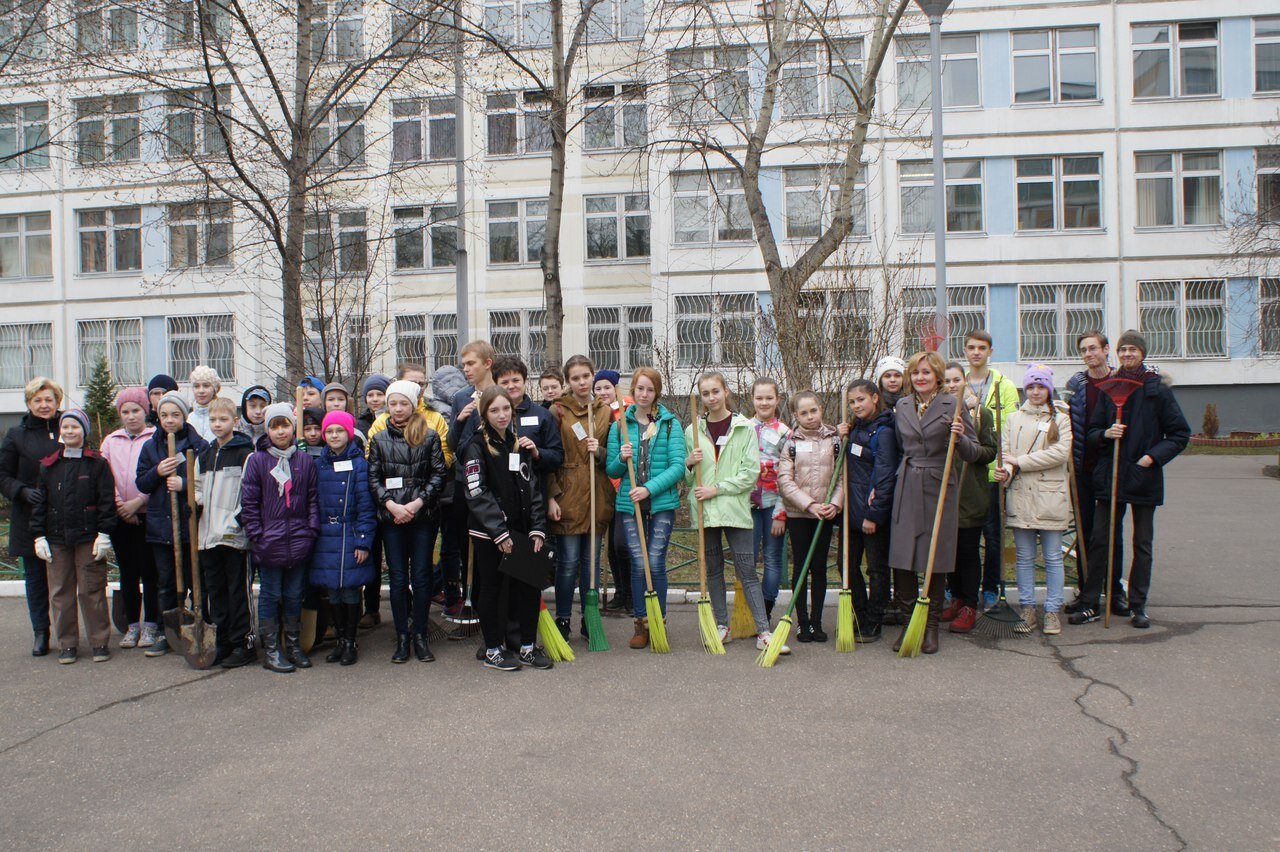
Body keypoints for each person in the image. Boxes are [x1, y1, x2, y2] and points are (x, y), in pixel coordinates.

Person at [1071, 331, 1189, 629]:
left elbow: (1179, 433)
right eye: (1123, 349)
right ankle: (1090, 602)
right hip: (1111, 474)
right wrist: (1106, 434)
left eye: (1132, 349)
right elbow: (1094, 430)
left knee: (1142, 542)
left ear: (1142, 353)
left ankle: (1138, 604)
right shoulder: (1112, 387)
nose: (1127, 354)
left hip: (1143, 475)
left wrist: (1151, 458)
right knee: (1100, 539)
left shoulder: (1156, 388)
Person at [889, 351, 983, 655]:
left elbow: (973, 452)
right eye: (915, 372)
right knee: (903, 557)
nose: (920, 378)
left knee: (935, 556)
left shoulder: (952, 404)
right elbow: (901, 446)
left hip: (939, 484)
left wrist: (960, 437)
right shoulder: (902, 405)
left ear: (937, 376)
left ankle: (930, 628)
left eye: (926, 373)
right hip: (907, 482)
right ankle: (908, 625)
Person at [685, 372, 786, 653]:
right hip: (706, 511)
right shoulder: (692, 430)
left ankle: (763, 631)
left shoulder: (743, 428)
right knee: (714, 570)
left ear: (725, 391)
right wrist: (689, 463)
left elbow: (750, 473)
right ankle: (721, 625)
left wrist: (717, 489)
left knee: (746, 570)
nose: (711, 398)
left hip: (734, 509)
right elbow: (688, 479)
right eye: (705, 394)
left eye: (715, 391)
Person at [463, 385, 552, 672]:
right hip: (492, 535)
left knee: (528, 588)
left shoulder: (519, 445)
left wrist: (537, 528)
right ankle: (492, 648)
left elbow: (534, 489)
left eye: (506, 409)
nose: (501, 415)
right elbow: (477, 492)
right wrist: (498, 532)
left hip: (523, 532)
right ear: (484, 413)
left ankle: (527, 646)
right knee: (492, 589)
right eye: (494, 410)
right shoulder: (476, 446)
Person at [367, 380, 446, 663]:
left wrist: (415, 503)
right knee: (399, 578)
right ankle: (402, 637)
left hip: (422, 516)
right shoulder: (378, 439)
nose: (398, 409)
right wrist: (392, 506)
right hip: (393, 519)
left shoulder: (430, 435)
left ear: (413, 405)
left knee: (422, 576)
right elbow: (373, 478)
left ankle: (421, 635)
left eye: (403, 403)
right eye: (392, 403)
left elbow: (438, 475)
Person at [605, 367, 684, 650]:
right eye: (640, 389)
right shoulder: (620, 427)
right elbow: (611, 468)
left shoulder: (670, 424)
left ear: (656, 393)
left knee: (655, 562)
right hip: (629, 505)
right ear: (632, 392)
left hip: (660, 503)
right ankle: (640, 623)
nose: (644, 394)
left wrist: (649, 488)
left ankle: (658, 622)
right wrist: (621, 457)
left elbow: (678, 467)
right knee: (638, 565)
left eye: (650, 389)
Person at [31, 410, 117, 664]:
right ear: (60, 431)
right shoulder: (48, 466)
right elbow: (40, 504)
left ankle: (99, 641)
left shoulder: (97, 464)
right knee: (60, 592)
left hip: (88, 538)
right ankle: (67, 644)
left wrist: (104, 533)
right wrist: (38, 536)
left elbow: (106, 501)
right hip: (57, 539)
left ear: (84, 431)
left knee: (92, 590)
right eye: (65, 427)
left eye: (75, 427)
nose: (69, 431)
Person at [241, 403, 320, 673]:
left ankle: (294, 645)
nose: (281, 431)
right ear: (268, 430)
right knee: (271, 594)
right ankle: (272, 649)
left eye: (285, 425)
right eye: (275, 426)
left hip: (299, 539)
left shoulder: (304, 461)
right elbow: (249, 503)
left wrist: (311, 531)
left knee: (294, 593)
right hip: (269, 541)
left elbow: (312, 499)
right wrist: (257, 535)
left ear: (292, 427)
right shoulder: (258, 461)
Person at [995, 365, 1072, 636]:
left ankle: (1052, 610)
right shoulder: (1013, 419)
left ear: (1049, 389)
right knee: (1024, 558)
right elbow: (1005, 452)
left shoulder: (1060, 419)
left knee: (1052, 556)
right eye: (1031, 387)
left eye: (1040, 387)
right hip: (1021, 495)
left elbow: (1060, 454)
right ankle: (1028, 608)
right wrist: (1004, 469)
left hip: (1050, 496)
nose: (1036, 392)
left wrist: (1020, 461)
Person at [135, 392, 209, 658]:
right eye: (164, 415)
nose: (169, 420)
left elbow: (208, 481)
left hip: (191, 525)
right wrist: (158, 472)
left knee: (195, 579)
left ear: (184, 416)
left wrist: (184, 484)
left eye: (175, 415)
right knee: (165, 582)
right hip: (162, 526)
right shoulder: (150, 447)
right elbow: (141, 483)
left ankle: (198, 626)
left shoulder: (199, 445)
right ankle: (168, 633)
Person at [547, 355, 615, 640]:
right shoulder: (557, 411)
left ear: (593, 376)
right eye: (575, 378)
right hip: (567, 491)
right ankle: (563, 617)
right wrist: (551, 495)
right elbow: (549, 455)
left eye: (586, 376)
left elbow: (611, 457)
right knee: (568, 562)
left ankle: (590, 618)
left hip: (596, 492)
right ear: (568, 382)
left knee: (591, 564)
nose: (582, 382)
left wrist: (598, 451)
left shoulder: (604, 411)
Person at [1064, 331, 1130, 614]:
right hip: (1081, 466)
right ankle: (1086, 590)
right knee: (1085, 530)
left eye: (1093, 348)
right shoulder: (1076, 383)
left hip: (1113, 467)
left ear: (1106, 350)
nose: (1088, 354)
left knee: (1111, 531)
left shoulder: (1122, 383)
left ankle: (1114, 591)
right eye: (1083, 350)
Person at [0, 377, 64, 656]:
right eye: (37, 400)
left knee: (65, 578)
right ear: (28, 403)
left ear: (57, 402)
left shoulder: (68, 426)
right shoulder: (16, 435)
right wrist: (22, 491)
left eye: (49, 399)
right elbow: (2, 475)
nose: (44, 405)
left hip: (64, 514)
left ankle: (68, 633)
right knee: (36, 578)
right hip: (29, 516)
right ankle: (41, 631)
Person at [311, 411, 377, 666]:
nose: (334, 436)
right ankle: (339, 639)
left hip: (350, 534)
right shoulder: (319, 465)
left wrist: (363, 540)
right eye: (329, 431)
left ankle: (350, 640)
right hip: (327, 536)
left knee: (350, 589)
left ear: (348, 434)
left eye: (339, 431)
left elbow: (366, 507)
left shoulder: (360, 465)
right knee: (333, 591)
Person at [194, 398, 256, 667]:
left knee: (237, 591)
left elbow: (250, 492)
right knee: (215, 590)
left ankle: (243, 642)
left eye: (223, 419)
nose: (217, 425)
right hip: (207, 536)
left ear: (235, 421)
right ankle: (223, 641)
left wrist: (237, 521)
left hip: (233, 536)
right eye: (213, 420)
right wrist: (195, 499)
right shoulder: (204, 455)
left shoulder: (245, 453)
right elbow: (196, 487)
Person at [777, 391, 843, 643]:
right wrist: (809, 505)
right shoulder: (791, 442)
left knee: (819, 568)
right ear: (795, 415)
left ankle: (817, 622)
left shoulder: (835, 439)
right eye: (803, 413)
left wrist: (834, 504)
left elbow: (841, 476)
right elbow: (785, 480)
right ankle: (802, 623)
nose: (810, 417)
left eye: (813, 411)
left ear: (821, 409)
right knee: (802, 568)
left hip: (825, 514)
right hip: (799, 514)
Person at [962, 330, 1021, 612]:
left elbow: (1009, 429)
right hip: (965, 476)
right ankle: (962, 590)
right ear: (965, 350)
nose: (976, 352)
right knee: (965, 540)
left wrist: (1007, 467)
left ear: (990, 351)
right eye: (972, 347)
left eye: (982, 348)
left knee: (994, 537)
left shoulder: (1003, 385)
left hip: (993, 475)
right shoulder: (956, 383)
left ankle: (990, 589)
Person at [838, 379, 898, 642]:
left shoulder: (883, 432)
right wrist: (844, 433)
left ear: (875, 397)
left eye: (860, 399)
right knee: (846, 566)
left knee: (876, 569)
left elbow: (885, 476)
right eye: (852, 402)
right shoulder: (855, 429)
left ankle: (874, 618)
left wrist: (874, 514)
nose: (856, 405)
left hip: (871, 514)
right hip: (851, 511)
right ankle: (859, 613)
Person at [100, 387, 158, 650]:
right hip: (121, 517)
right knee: (128, 572)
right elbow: (104, 477)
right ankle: (132, 624)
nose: (131, 416)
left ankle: (151, 625)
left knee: (150, 572)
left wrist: (138, 503)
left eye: (136, 410)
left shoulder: (155, 437)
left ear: (145, 411)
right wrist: (121, 506)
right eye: (126, 412)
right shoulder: (111, 441)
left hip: (149, 514)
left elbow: (158, 474)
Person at [942, 361, 997, 635]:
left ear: (965, 381)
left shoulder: (980, 414)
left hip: (970, 493)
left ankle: (969, 605)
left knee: (967, 550)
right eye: (946, 381)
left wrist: (968, 443)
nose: (951, 386)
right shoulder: (937, 414)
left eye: (955, 380)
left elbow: (989, 452)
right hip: (944, 491)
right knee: (949, 550)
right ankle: (956, 597)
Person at [748, 377, 790, 619]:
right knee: (749, 559)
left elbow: (788, 475)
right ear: (752, 398)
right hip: (748, 504)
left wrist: (781, 513)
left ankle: (765, 609)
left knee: (772, 558)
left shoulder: (785, 433)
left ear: (777, 400)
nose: (764, 403)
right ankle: (750, 608)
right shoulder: (742, 427)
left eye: (769, 398)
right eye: (759, 398)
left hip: (774, 506)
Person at [492, 355, 565, 492]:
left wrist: (538, 453)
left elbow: (557, 457)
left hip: (534, 492)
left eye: (516, 380)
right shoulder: (488, 416)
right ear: (496, 384)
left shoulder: (543, 415)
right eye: (505, 382)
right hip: (499, 492)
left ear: (524, 381)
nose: (511, 386)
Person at [594, 369, 634, 615]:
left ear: (617, 388)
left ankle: (631, 594)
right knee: (610, 546)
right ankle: (620, 593)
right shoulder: (595, 412)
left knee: (623, 545)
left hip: (623, 486)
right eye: (598, 388)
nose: (602, 392)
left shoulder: (626, 413)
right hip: (602, 486)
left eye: (607, 387)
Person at [187, 365, 221, 443]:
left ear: (214, 389)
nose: (201, 391)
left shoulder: (222, 417)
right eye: (196, 386)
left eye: (206, 386)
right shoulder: (188, 419)